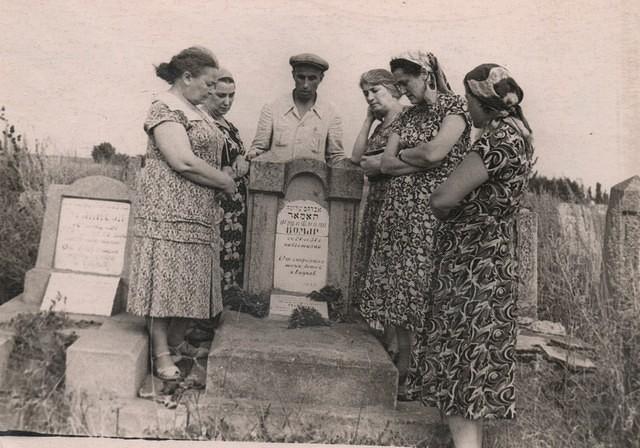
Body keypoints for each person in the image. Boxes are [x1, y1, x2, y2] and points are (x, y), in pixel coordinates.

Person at [416, 64, 534, 448]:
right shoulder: (520, 135)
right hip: (495, 260)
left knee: (459, 361)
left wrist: (447, 210)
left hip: (470, 263)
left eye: (469, 99)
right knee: (476, 365)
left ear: (484, 100)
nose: (466, 107)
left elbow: (443, 197)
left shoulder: (496, 141)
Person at [359, 51, 472, 397]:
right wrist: (418, 157)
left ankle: (428, 375)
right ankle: (404, 372)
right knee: (399, 294)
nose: (403, 91)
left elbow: (437, 153)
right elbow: (385, 166)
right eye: (397, 86)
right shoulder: (408, 115)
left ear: (424, 73)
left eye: (406, 83)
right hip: (398, 214)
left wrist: (411, 157)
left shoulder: (455, 107)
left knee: (425, 292)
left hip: (432, 214)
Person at [127, 47, 236, 381]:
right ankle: (161, 355)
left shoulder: (196, 110)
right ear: (187, 77)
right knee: (165, 282)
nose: (212, 90)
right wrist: (226, 182)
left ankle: (175, 344)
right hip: (168, 207)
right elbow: (182, 160)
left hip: (198, 210)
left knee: (189, 282)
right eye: (208, 83)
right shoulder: (165, 108)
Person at [350, 69, 406, 333]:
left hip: (397, 201)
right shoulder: (380, 123)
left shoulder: (406, 119)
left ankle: (394, 341)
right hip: (375, 202)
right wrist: (367, 120)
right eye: (365, 94)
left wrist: (380, 165)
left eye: (375, 91)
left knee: (392, 270)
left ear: (393, 90)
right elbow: (356, 158)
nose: (369, 97)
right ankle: (381, 336)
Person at [247, 53, 344, 164]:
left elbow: (336, 158)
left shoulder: (331, 114)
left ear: (321, 78)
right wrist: (250, 157)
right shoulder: (272, 108)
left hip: (312, 181)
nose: (306, 85)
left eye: (312, 78)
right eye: (301, 77)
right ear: (293, 75)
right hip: (277, 180)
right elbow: (258, 150)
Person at [203, 68, 250, 291]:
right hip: (215, 201)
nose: (227, 101)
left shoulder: (231, 127)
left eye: (231, 95)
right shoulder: (201, 123)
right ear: (208, 91)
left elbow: (239, 152)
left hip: (235, 208)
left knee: (232, 253)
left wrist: (242, 158)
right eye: (221, 95)